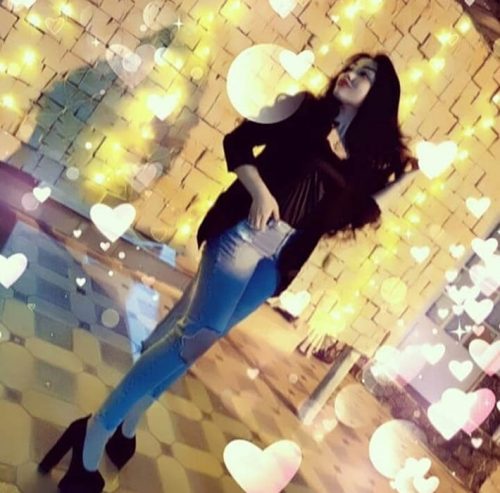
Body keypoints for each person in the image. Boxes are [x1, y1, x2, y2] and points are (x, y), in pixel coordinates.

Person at [38, 51, 419, 492]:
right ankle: (94, 432)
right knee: (192, 337)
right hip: (242, 234)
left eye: (365, 75)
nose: (350, 74)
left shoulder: (357, 159)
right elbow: (237, 143)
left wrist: (406, 179)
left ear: (379, 96)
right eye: (351, 67)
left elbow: (359, 211)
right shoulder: (304, 111)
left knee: (196, 341)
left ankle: (130, 418)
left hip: (278, 263)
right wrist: (259, 192)